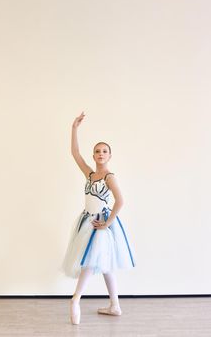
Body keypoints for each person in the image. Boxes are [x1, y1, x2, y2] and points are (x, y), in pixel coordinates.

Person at [62, 112, 136, 325]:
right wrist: (74, 128)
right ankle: (115, 305)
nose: (100, 154)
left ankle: (75, 299)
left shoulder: (109, 177)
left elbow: (120, 201)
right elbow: (75, 153)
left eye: (104, 151)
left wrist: (108, 223)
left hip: (100, 224)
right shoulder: (89, 174)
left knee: (89, 259)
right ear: (93, 156)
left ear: (109, 156)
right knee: (104, 265)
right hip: (87, 221)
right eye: (97, 151)